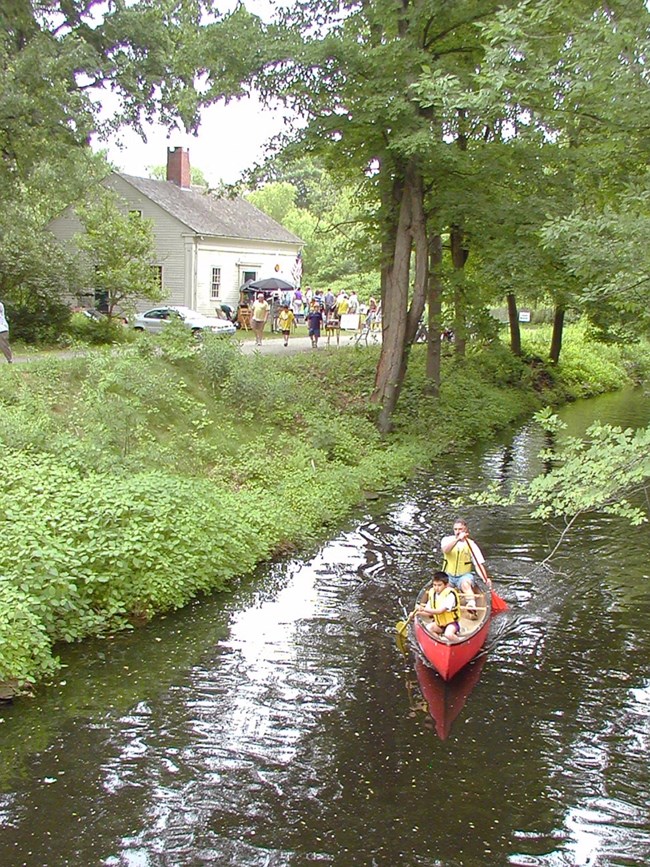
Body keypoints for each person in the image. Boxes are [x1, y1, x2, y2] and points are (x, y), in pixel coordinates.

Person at [440, 518, 490, 617]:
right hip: (448, 574)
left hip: (464, 576)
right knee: (445, 589)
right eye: (455, 529)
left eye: (460, 529)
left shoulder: (471, 545)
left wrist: (485, 578)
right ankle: (442, 608)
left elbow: (478, 564)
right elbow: (446, 550)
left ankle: (471, 606)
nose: (457, 532)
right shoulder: (447, 540)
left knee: (465, 585)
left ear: (465, 530)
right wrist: (457, 539)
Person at [416, 571, 461, 638]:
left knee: (448, 634)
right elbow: (429, 613)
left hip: (451, 623)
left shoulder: (450, 595)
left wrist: (423, 608)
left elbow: (440, 611)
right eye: (434, 585)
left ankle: (459, 643)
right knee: (428, 628)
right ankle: (440, 641)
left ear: (446, 585)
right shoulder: (432, 593)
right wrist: (417, 613)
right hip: (439, 623)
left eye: (439, 585)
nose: (436, 588)